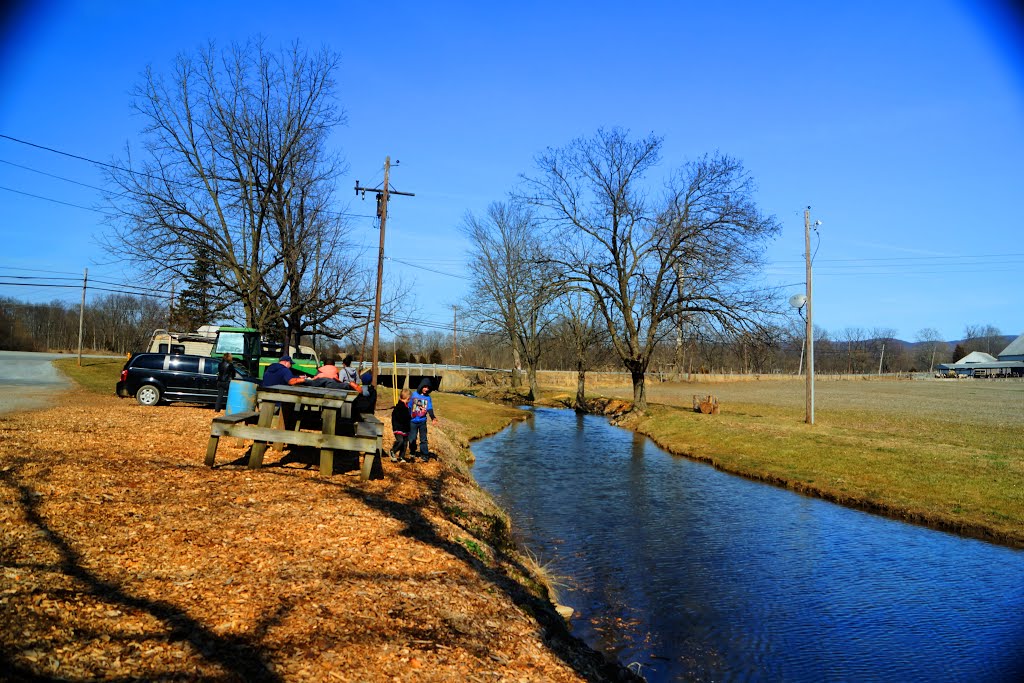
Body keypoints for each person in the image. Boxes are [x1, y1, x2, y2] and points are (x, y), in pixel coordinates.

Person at [408, 379, 438, 459]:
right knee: (412, 438)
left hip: (422, 421)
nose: (426, 389)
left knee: (423, 439)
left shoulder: (428, 398)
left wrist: (433, 417)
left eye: (428, 388)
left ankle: (424, 455)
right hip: (413, 421)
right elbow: (409, 406)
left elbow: (430, 409)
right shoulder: (414, 395)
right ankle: (412, 452)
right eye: (425, 387)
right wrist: (407, 416)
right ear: (421, 386)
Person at [389, 388, 413, 463]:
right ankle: (393, 451)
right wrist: (410, 416)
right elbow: (401, 417)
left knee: (405, 442)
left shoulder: (406, 407)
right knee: (400, 441)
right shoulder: (399, 407)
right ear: (408, 399)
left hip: (405, 428)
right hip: (398, 428)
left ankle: (401, 456)